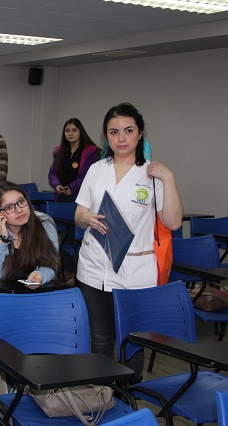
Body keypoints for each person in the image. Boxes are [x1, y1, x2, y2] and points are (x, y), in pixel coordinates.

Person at [75, 102, 183, 367]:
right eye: (114, 132)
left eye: (128, 130)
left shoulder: (153, 174)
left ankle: (129, 391)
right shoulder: (97, 169)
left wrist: (169, 179)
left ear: (140, 133)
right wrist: (86, 218)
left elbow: (173, 222)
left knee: (133, 340)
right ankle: (100, 387)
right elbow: (79, 215)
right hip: (93, 266)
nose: (121, 138)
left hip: (134, 272)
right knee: (100, 336)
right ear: (106, 136)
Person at [0, 181, 59, 309]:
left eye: (21, 201)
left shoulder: (45, 223)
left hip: (35, 298)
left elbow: (51, 263)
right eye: (9, 207)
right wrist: (1, 240)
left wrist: (41, 275)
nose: (19, 210)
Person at [48, 118, 101, 202]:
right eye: (67, 131)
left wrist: (73, 187)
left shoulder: (91, 152)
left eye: (74, 130)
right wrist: (57, 185)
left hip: (81, 198)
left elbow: (89, 176)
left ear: (80, 132)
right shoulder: (59, 151)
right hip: (61, 197)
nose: (70, 134)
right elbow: (52, 173)